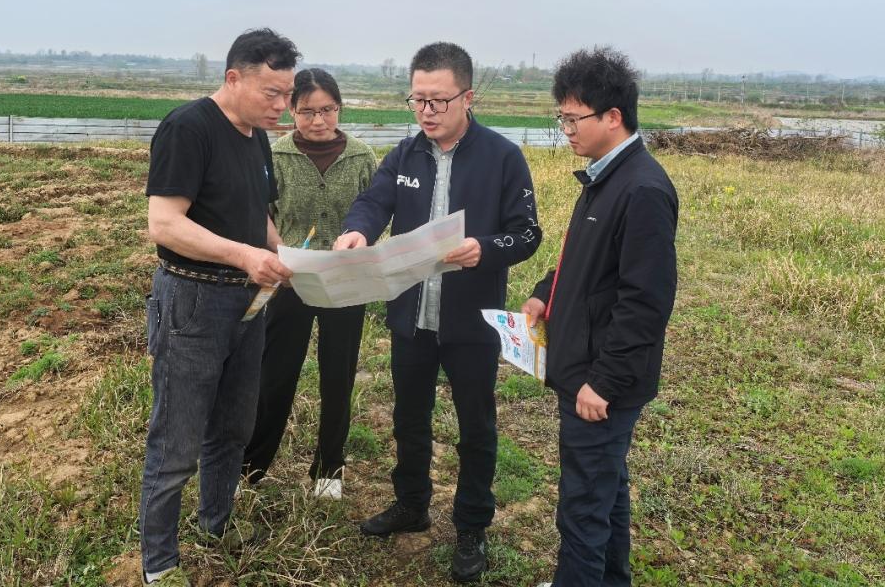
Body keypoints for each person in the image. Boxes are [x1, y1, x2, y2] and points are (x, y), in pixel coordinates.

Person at [335, 42, 541, 583]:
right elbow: (374, 202)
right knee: (409, 418)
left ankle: (471, 525)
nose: (426, 112)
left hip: (471, 321)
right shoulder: (404, 156)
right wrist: (357, 230)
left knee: (476, 425)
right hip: (411, 316)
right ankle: (411, 504)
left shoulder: (502, 157)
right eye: (417, 100)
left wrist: (484, 250)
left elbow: (527, 234)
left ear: (467, 98)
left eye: (438, 101)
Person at [139, 28, 301, 586]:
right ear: (233, 78)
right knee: (176, 438)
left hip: (248, 302)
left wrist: (287, 256)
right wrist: (245, 256)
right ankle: (160, 563)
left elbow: (258, 213)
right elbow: (165, 224)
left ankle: (216, 522)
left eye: (287, 94)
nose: (282, 106)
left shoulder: (256, 137)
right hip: (193, 300)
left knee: (233, 425)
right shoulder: (189, 128)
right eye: (272, 93)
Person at [521, 47, 678, 587]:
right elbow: (583, 261)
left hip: (599, 381)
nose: (565, 130)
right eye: (561, 118)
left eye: (573, 119)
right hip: (584, 367)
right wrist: (545, 294)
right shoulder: (605, 177)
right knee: (605, 491)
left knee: (583, 504)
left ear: (613, 117)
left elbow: (646, 301)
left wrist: (604, 382)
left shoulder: (642, 189)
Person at [242, 68, 378, 499]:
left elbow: (376, 211)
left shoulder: (362, 157)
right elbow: (259, 211)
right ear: (292, 111)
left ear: (339, 109)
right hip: (290, 282)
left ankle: (329, 471)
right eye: (307, 112)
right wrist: (279, 249)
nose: (318, 121)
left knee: (338, 377)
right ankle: (250, 468)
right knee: (275, 376)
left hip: (345, 283)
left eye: (327, 110)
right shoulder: (275, 155)